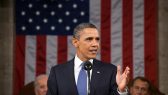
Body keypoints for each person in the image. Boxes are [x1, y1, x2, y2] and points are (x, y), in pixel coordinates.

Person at [47, 23, 130, 95]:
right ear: (75, 42)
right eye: (89, 39)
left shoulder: (110, 71)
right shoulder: (57, 72)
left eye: (97, 39)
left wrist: (121, 91)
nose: (95, 44)